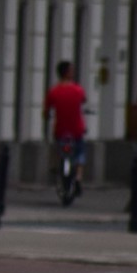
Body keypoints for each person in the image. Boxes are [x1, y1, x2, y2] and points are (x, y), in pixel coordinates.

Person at [43, 60, 88, 188]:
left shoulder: (53, 91)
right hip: (76, 129)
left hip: (61, 129)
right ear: (68, 73)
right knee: (79, 153)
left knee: (57, 149)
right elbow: (84, 101)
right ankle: (78, 177)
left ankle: (55, 166)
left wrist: (47, 116)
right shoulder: (78, 90)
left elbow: (46, 111)